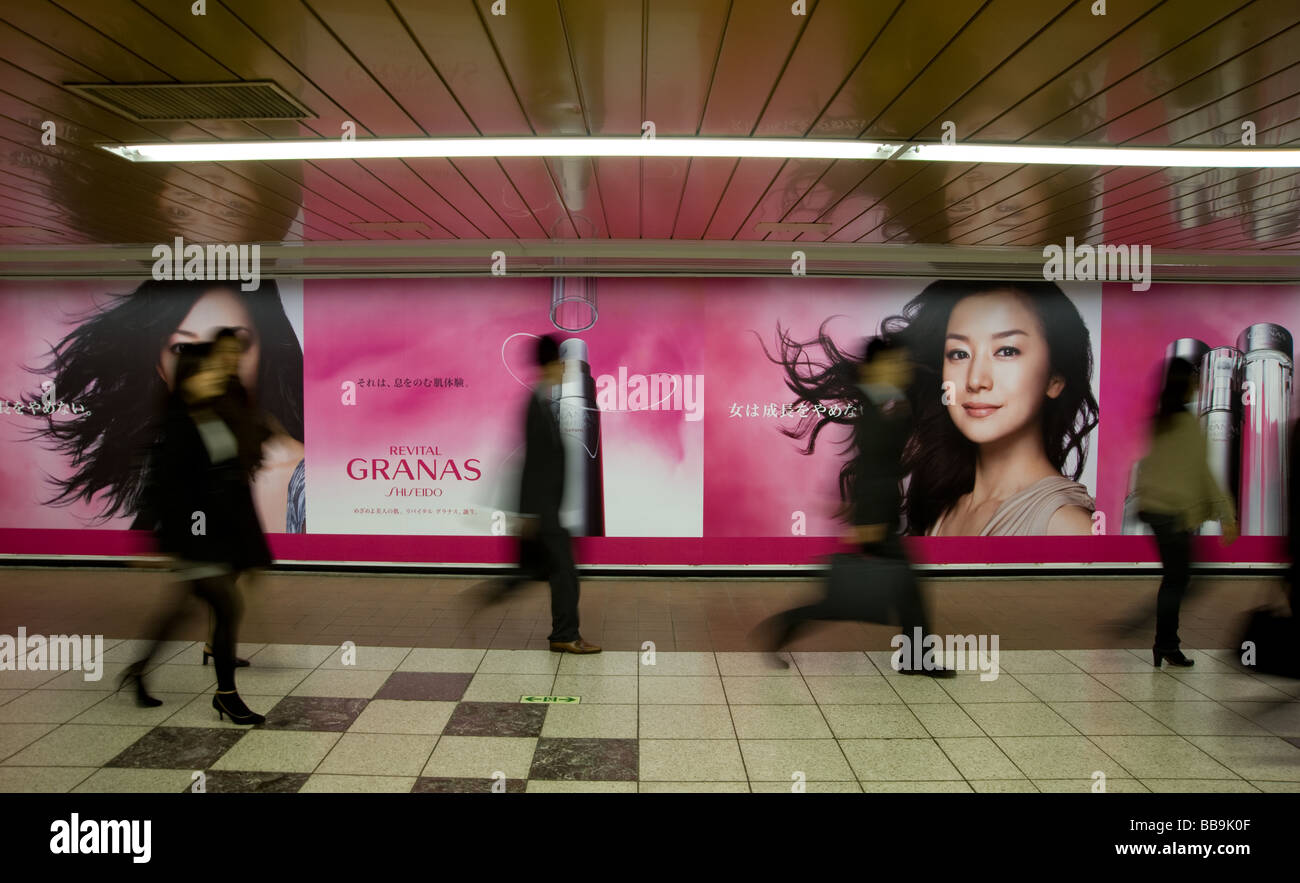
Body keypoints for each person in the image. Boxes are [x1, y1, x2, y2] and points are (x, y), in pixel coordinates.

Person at [767, 280, 1099, 536]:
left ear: (1055, 378)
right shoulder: (947, 506)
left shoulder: (1065, 525)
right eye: (958, 354)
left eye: (1007, 351)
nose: (976, 380)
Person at [31, 279, 305, 534]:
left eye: (233, 346)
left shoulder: (302, 480)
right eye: (183, 349)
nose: (208, 369)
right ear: (160, 367)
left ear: (264, 354)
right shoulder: (172, 458)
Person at [757, 337, 952, 676]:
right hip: (876, 518)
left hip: (878, 513)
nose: (902, 369)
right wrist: (866, 516)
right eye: (896, 363)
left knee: (906, 591)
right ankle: (782, 627)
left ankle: (915, 657)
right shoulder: (875, 409)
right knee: (846, 601)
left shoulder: (887, 402)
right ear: (877, 367)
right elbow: (874, 467)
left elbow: (867, 464)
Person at [120, 342, 271, 723]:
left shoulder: (215, 414)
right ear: (186, 379)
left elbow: (230, 474)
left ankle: (138, 670)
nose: (217, 374)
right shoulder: (176, 426)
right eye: (206, 371)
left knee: (183, 608)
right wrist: (162, 543)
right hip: (195, 535)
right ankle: (226, 694)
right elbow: (161, 487)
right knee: (226, 605)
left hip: (224, 530)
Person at [481, 334, 600, 654]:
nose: (565, 369)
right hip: (543, 510)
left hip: (545, 509)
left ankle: (496, 592)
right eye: (562, 363)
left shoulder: (542, 402)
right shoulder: (535, 406)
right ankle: (565, 634)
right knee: (565, 573)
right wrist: (529, 513)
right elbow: (530, 463)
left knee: (536, 569)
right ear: (551, 365)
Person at [1131, 357, 1238, 667]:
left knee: (1176, 577)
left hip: (1155, 510)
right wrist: (1226, 514)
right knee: (1179, 579)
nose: (1198, 384)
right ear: (1185, 383)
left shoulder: (1160, 420)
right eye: (1194, 379)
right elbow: (1203, 472)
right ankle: (1162, 642)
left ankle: (1164, 643)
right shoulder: (1185, 424)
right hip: (1171, 513)